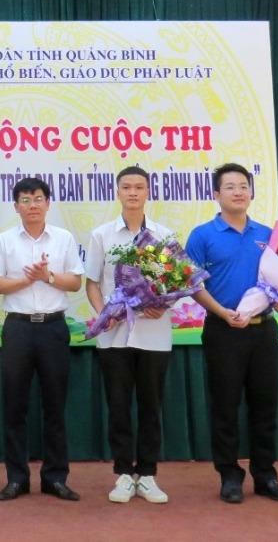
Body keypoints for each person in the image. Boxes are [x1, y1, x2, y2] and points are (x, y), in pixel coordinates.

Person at [186, 163, 278, 505]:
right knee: (225, 406)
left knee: (265, 405)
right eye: (230, 187)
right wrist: (222, 312)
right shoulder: (202, 235)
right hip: (223, 331)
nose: (238, 192)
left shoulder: (268, 234)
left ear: (251, 192)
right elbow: (192, 285)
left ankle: (266, 476)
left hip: (263, 331)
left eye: (243, 186)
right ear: (216, 194)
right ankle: (229, 476)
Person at [0, 177, 83, 502]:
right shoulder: (4, 241)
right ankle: (17, 479)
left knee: (55, 406)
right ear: (16, 206)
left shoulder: (64, 238)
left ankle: (55, 478)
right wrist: (26, 280)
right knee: (15, 406)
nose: (32, 205)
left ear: (48, 203)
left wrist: (48, 276)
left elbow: (75, 283)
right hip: (18, 329)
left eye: (38, 199)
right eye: (25, 200)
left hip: (53, 328)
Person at [85, 166, 173, 504]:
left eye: (139, 187)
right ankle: (123, 474)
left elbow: (176, 281)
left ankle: (148, 475)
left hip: (154, 333)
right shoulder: (102, 235)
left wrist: (163, 304)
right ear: (118, 192)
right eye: (127, 187)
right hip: (114, 335)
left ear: (148, 192)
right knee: (119, 405)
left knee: (151, 406)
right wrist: (103, 314)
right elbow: (92, 283)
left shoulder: (164, 235)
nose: (133, 192)